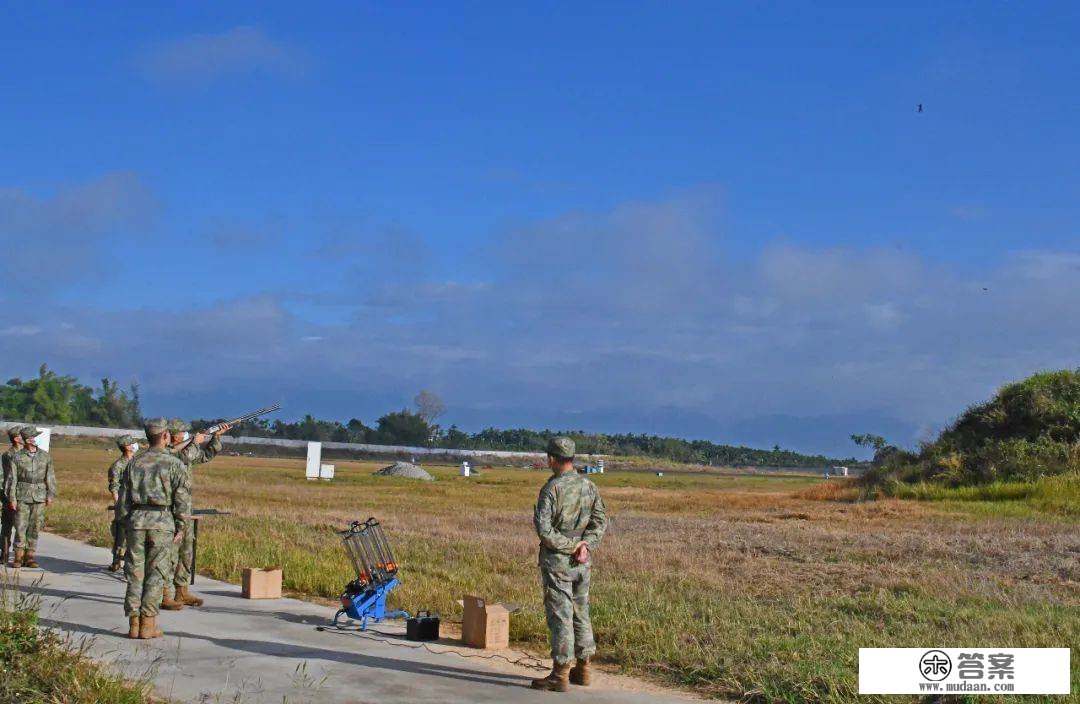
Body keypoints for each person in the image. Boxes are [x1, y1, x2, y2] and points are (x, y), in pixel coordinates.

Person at [530, 436, 608, 692]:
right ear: (572, 458)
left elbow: (544, 529)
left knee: (561, 615)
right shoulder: (589, 486)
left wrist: (569, 546)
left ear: (552, 459)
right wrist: (585, 545)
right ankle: (584, 668)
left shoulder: (551, 489)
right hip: (582, 562)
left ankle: (560, 673)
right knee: (581, 611)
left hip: (558, 562)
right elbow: (600, 522)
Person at [116, 418, 189, 639]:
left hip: (136, 522)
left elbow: (123, 499)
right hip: (162, 522)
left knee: (135, 573)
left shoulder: (134, 463)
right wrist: (181, 526)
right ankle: (148, 625)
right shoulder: (174, 463)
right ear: (166, 436)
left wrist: (125, 522)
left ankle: (133, 625)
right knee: (156, 574)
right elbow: (182, 499)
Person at [162, 418, 229, 609]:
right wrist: (194, 442)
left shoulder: (186, 449)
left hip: (185, 509)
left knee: (186, 551)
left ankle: (181, 591)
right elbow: (183, 459)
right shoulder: (166, 453)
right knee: (170, 553)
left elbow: (205, 456)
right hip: (170, 510)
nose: (186, 434)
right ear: (174, 436)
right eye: (183, 432)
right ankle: (164, 593)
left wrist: (215, 438)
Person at [5, 426, 57, 569]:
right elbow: (11, 479)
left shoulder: (45, 456)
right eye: (33, 437)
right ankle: (18, 556)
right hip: (22, 495)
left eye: (36, 437)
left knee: (35, 526)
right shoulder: (17, 457)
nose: (35, 440)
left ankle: (30, 556)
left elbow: (50, 477)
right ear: (27, 440)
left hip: (39, 496)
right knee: (21, 526)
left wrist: (50, 494)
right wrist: (12, 499)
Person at [107, 434, 139, 572]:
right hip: (124, 503)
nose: (134, 445)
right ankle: (116, 559)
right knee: (121, 534)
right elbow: (114, 486)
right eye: (131, 443)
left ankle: (130, 561)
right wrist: (118, 504)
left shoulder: (138, 462)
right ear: (126, 447)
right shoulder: (117, 466)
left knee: (135, 533)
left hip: (138, 502)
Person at [1, 426, 25, 564]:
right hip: (10, 494)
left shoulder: (25, 453)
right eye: (22, 436)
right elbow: (10, 478)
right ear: (16, 439)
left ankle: (21, 556)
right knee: (7, 526)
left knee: (21, 527)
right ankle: (4, 554)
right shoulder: (9, 455)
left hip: (23, 495)